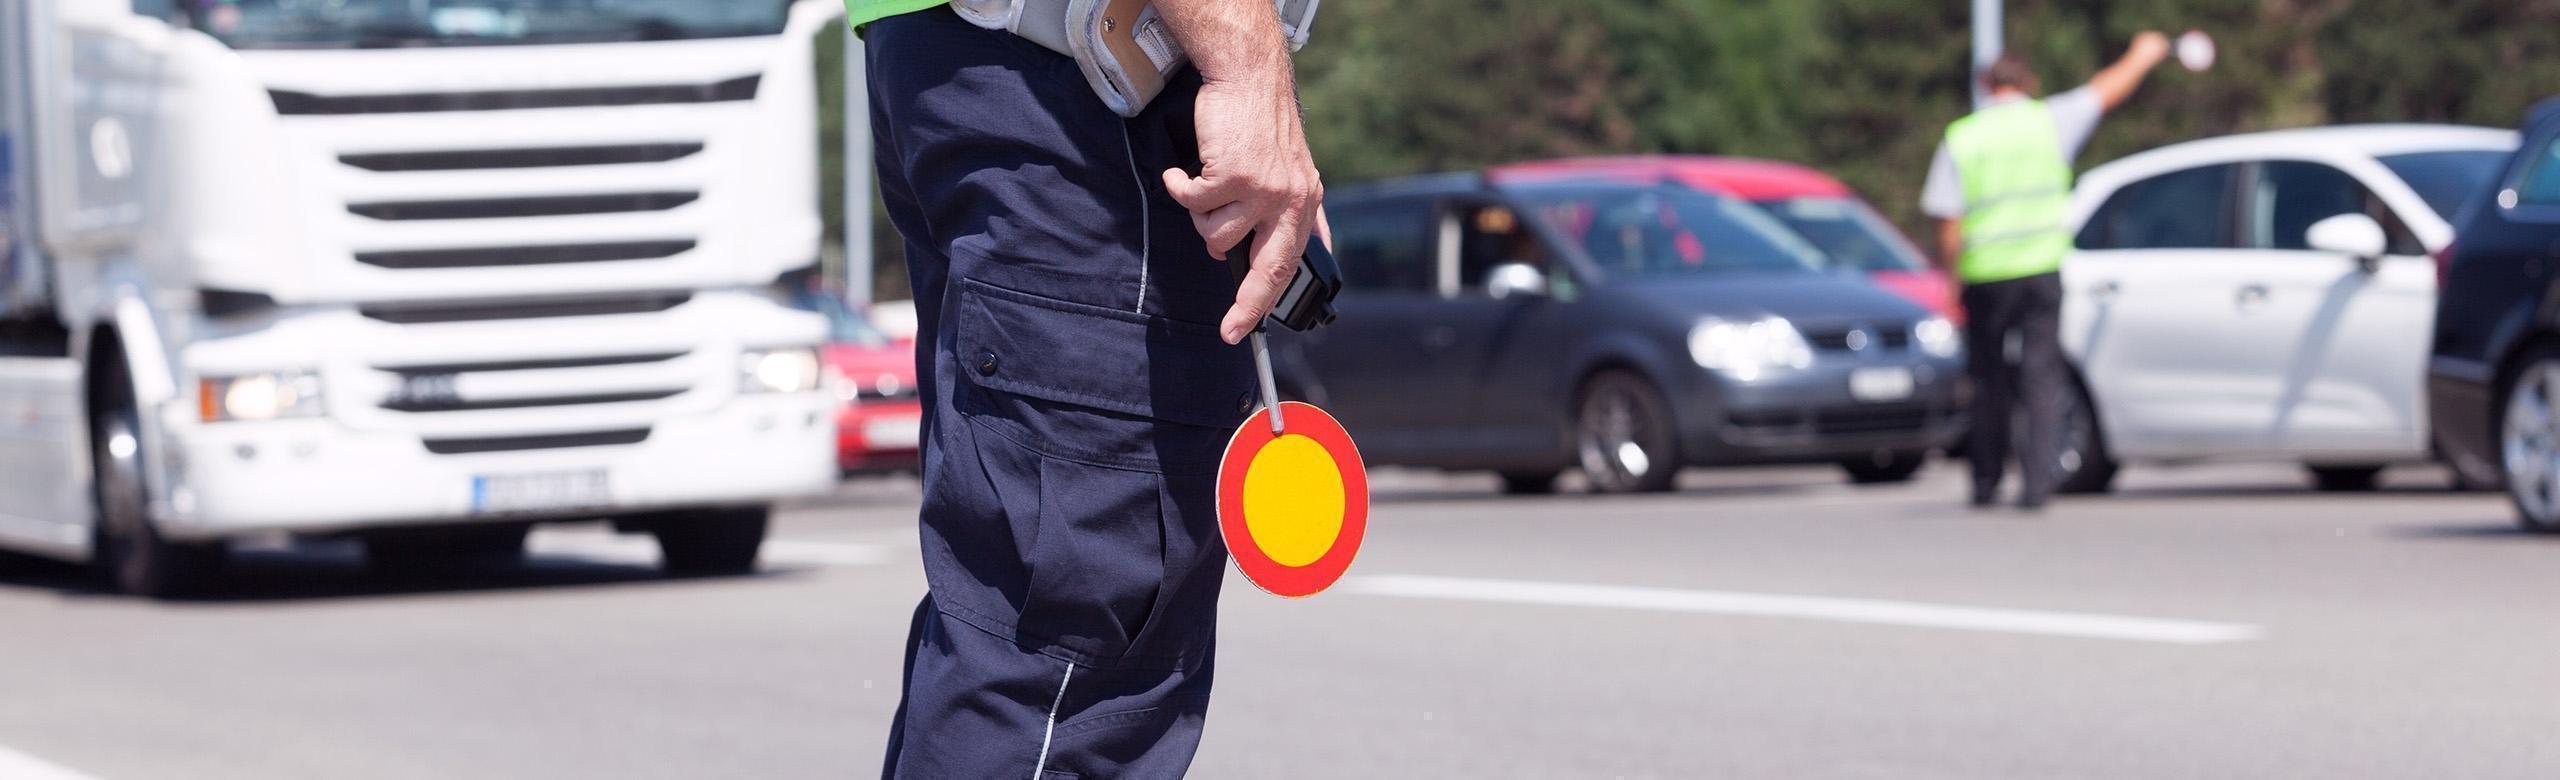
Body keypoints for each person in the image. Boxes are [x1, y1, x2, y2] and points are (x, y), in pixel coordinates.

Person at [850, 1, 1323, 777]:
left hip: (992, 69)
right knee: (1066, 675)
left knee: (1017, 641)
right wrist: (1246, 71)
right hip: (1077, 81)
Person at [1920, 33, 2169, 510]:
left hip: (1985, 273)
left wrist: (1953, 278)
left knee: (1988, 380)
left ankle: (1986, 480)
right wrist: (2142, 56)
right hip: (2040, 268)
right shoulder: (2050, 120)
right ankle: (2037, 483)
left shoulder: (1963, 136)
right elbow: (2105, 90)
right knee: (2041, 377)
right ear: (2029, 83)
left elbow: (1948, 221)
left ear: (1984, 85)